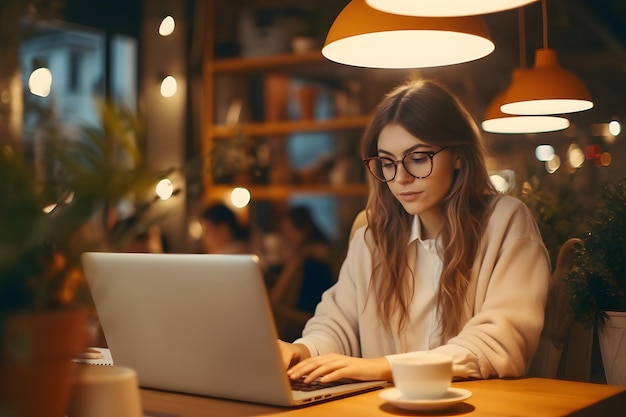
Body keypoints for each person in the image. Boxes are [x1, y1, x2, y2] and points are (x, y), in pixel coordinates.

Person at [279, 79, 551, 385]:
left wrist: (383, 367)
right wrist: (302, 350)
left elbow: (497, 343)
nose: (402, 178)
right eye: (387, 163)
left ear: (459, 155)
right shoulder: (372, 237)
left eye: (419, 158)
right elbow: (337, 324)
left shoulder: (505, 221)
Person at [269, 206, 335, 341]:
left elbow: (277, 303)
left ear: (302, 232)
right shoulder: (298, 259)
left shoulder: (314, 265)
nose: (284, 238)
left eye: (288, 231)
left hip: (307, 331)